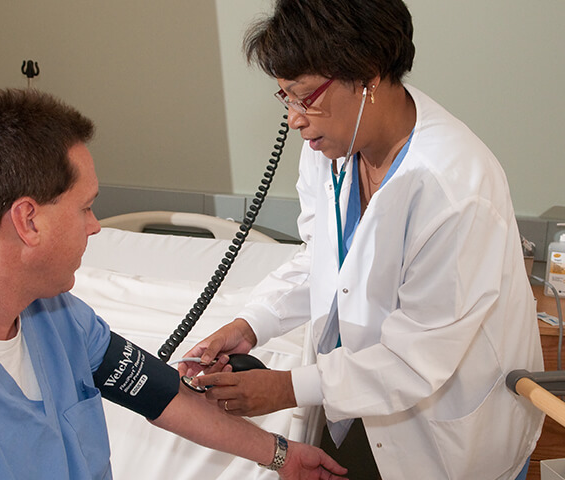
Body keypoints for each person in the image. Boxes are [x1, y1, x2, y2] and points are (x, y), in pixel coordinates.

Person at [0, 88, 347, 480]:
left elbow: (159, 395)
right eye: (86, 207)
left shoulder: (53, 316)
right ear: (27, 221)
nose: (96, 226)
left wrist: (281, 455)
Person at [178, 1, 545, 479]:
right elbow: (325, 260)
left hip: (445, 433)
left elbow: (418, 359)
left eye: (304, 96)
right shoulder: (332, 147)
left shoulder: (453, 189)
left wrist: (286, 388)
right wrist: (253, 323)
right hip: (361, 406)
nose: (293, 118)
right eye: (284, 97)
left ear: (369, 76)